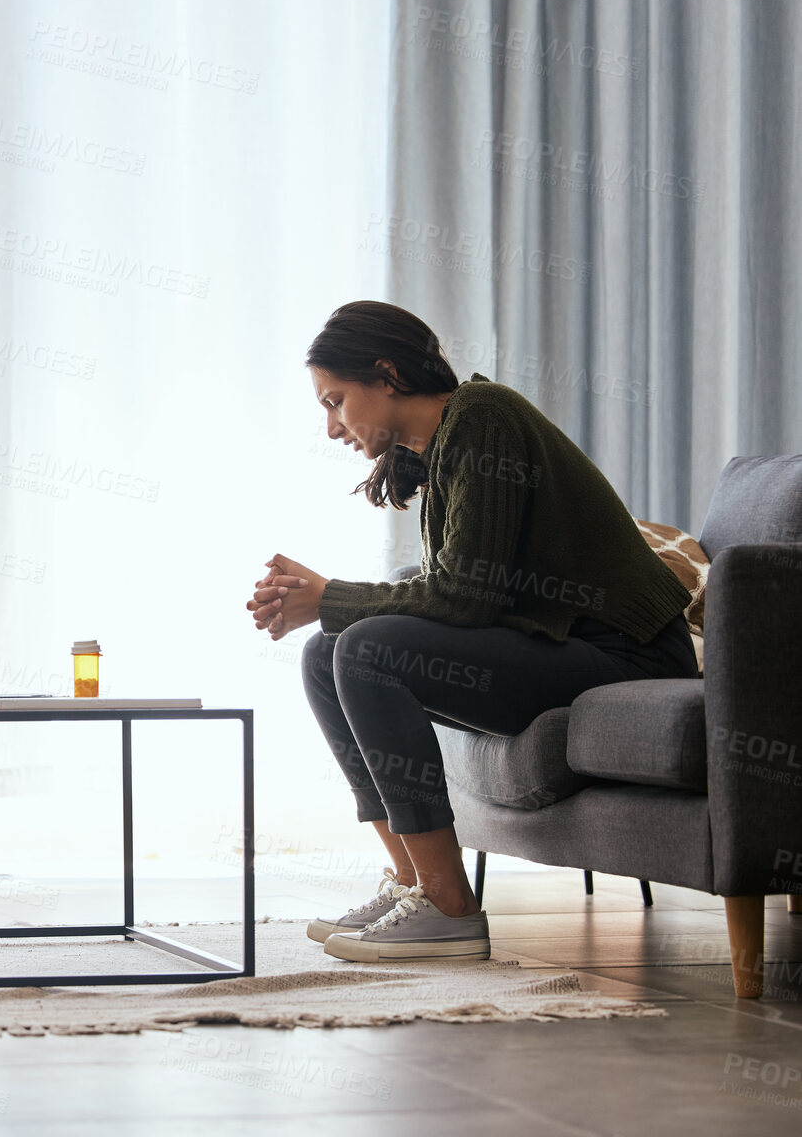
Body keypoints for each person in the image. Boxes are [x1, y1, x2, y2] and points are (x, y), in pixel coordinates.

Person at [246, 300, 695, 963]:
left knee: (364, 647)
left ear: (386, 373)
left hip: (627, 656)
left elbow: (463, 598)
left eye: (335, 400)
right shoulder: (441, 450)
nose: (332, 425)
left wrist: (328, 597)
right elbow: (460, 595)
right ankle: (411, 882)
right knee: (325, 653)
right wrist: (324, 611)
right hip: (564, 649)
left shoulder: (482, 416)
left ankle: (449, 907)